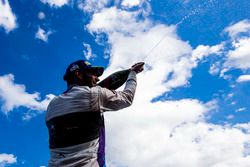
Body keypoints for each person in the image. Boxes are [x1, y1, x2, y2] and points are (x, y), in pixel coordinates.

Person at [45, 60, 144, 167]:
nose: (97, 78)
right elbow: (127, 97)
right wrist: (132, 74)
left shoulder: (52, 104)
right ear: (79, 74)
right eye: (92, 74)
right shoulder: (94, 95)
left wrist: (128, 71)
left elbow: (90, 94)